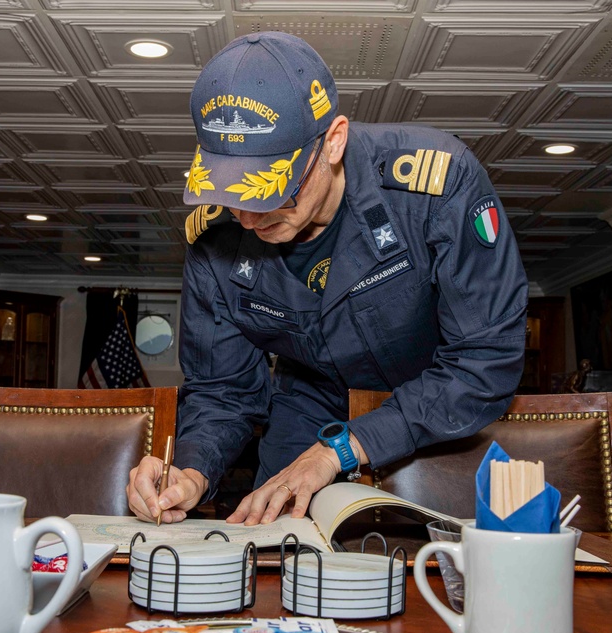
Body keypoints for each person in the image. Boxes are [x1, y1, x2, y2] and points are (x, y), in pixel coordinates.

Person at [126, 32, 528, 526]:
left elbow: (484, 360)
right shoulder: (215, 238)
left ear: (333, 140)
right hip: (308, 406)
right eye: (231, 189)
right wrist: (191, 472)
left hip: (443, 408)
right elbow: (222, 390)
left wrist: (339, 450)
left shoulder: (436, 188)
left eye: (274, 188)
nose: (249, 217)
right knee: (266, 550)